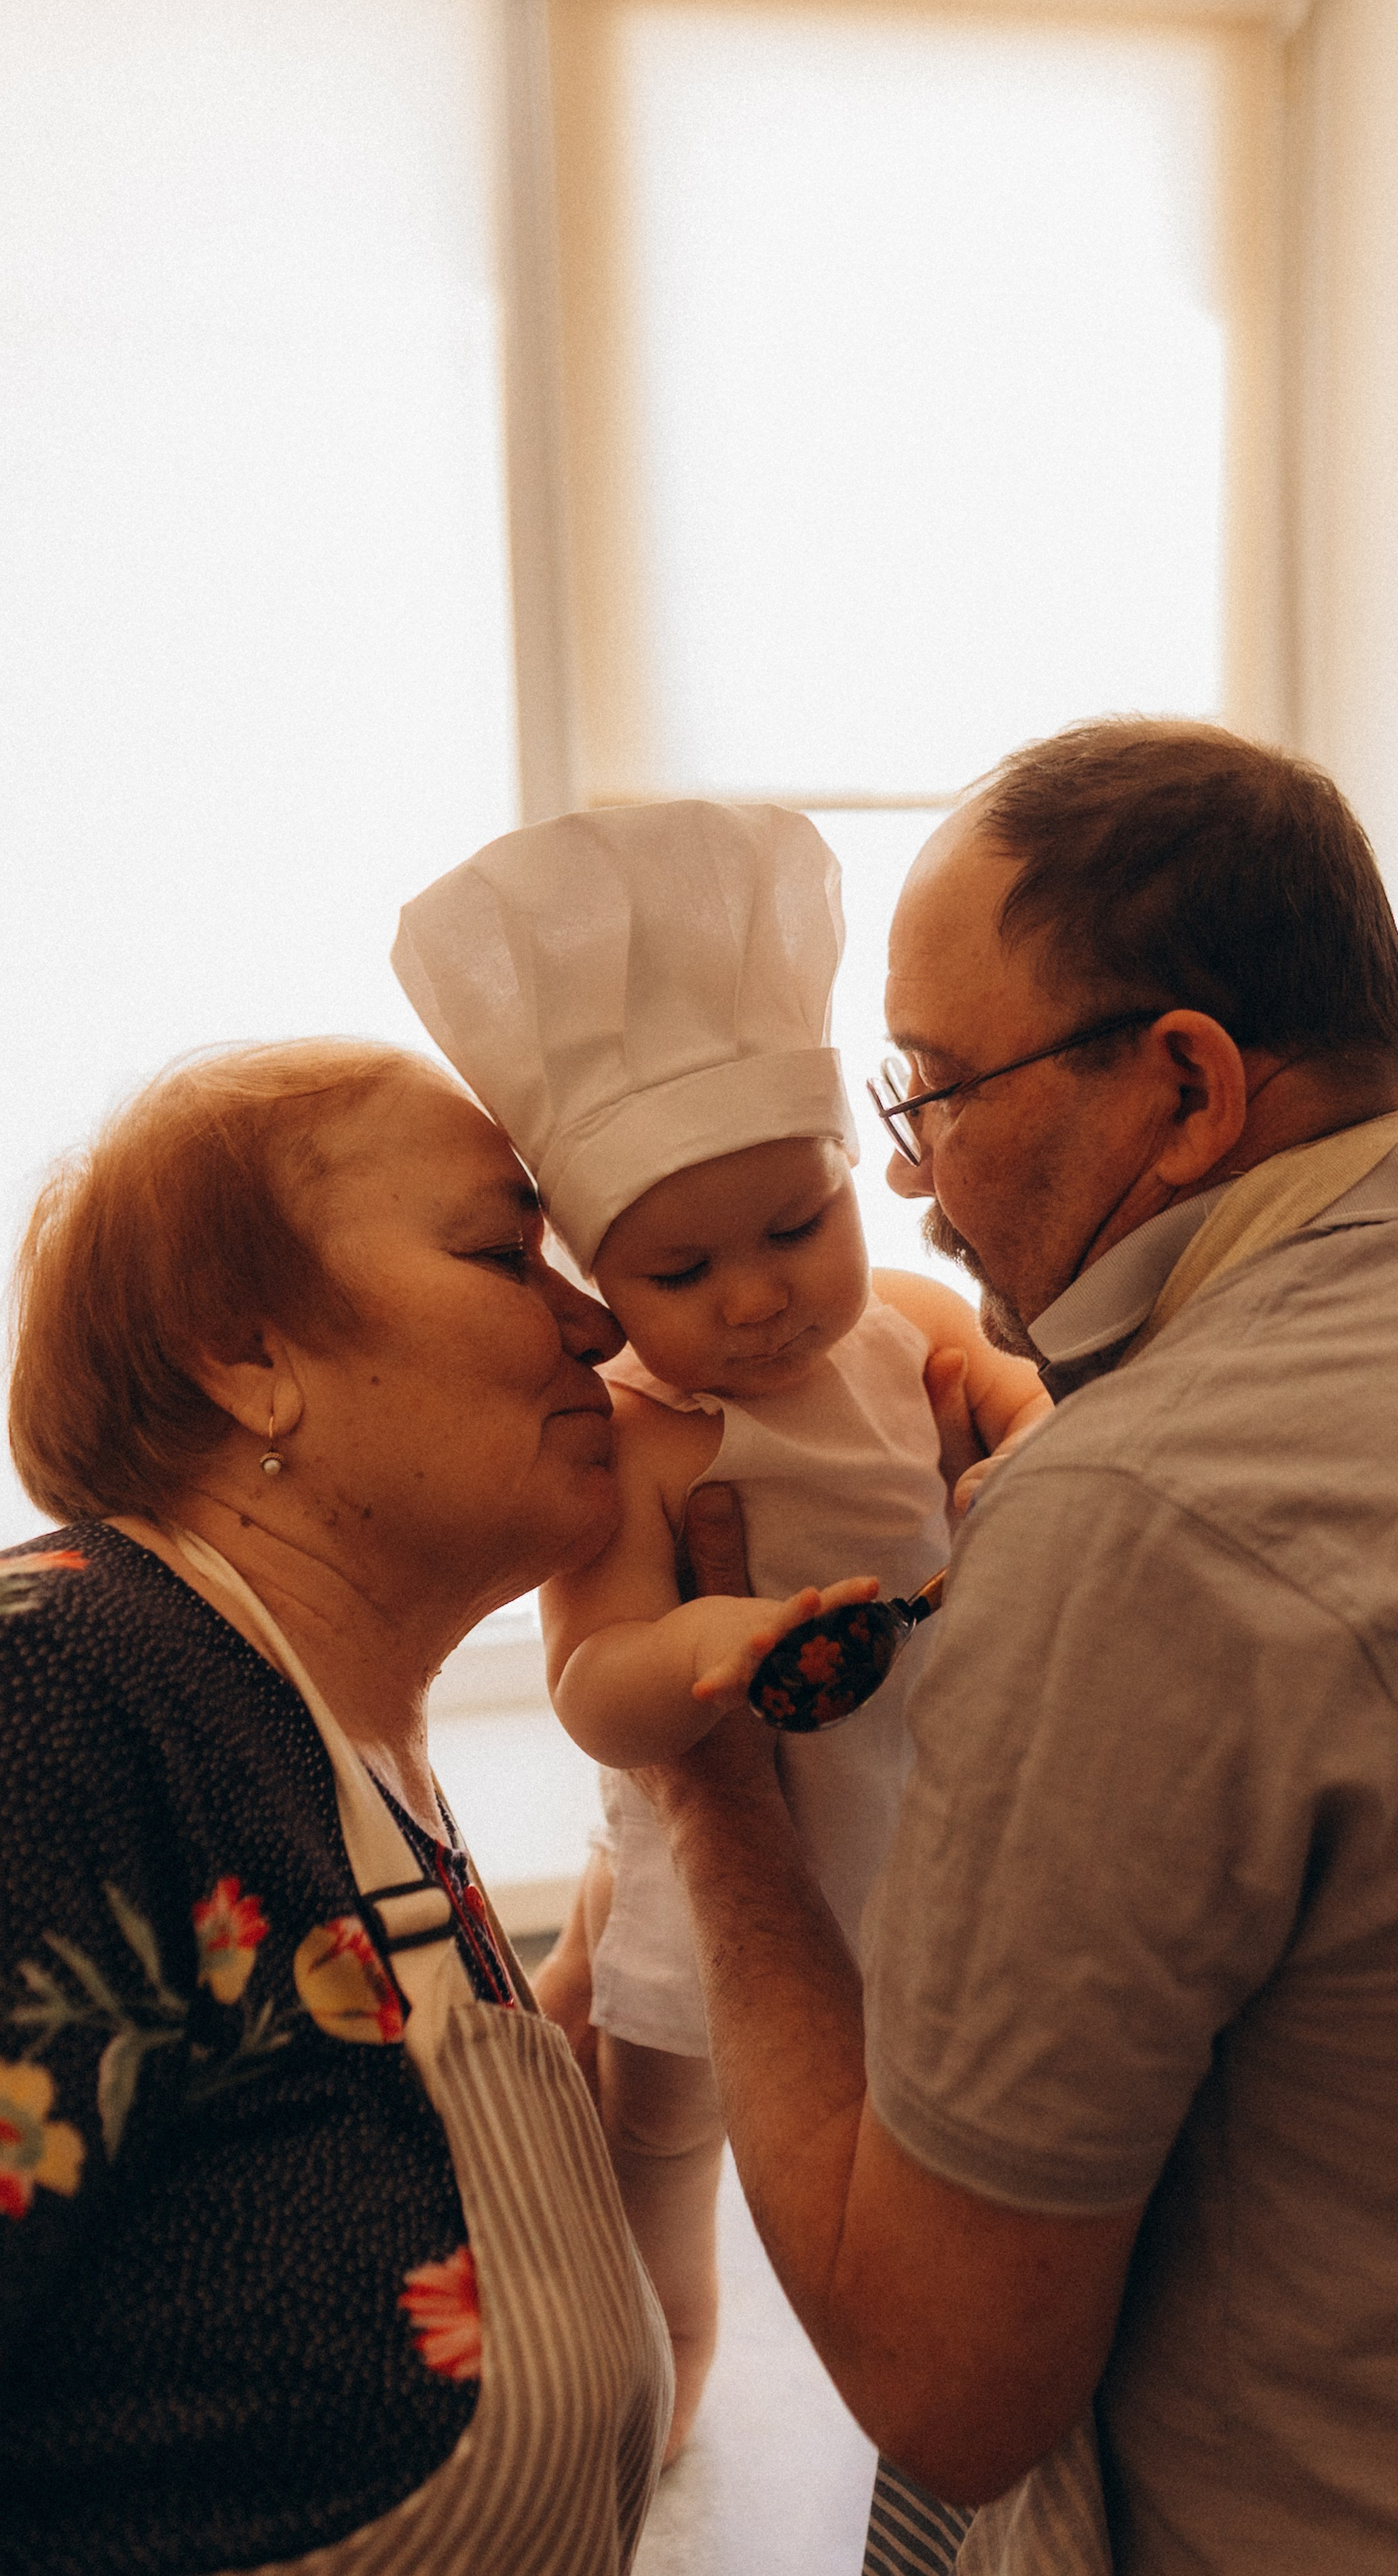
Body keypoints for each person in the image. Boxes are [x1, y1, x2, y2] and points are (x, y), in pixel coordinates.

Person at [628, 720, 1398, 2574]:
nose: (910, 1189)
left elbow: (942, 2382)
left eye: (932, 1092)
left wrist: (714, 1795)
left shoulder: (1146, 1515)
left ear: (1189, 1088)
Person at [0, 1040, 672, 2575]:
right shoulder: (45, 1692)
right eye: (507, 1252)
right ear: (245, 1355)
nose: (599, 1317)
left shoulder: (359, 1777)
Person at [391, 800, 1048, 2460]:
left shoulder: (904, 1328)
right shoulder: (639, 1440)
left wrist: (1029, 1444)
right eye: (684, 1269)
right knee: (664, 2144)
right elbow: (594, 1690)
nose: (758, 1295)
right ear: (600, 1287)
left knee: (887, 2087)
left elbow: (1031, 1413)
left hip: (910, 1809)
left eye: (794, 1229)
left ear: (854, 1186)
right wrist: (716, 1649)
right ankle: (660, 2385)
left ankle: (540, 2089)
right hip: (713, 1855)